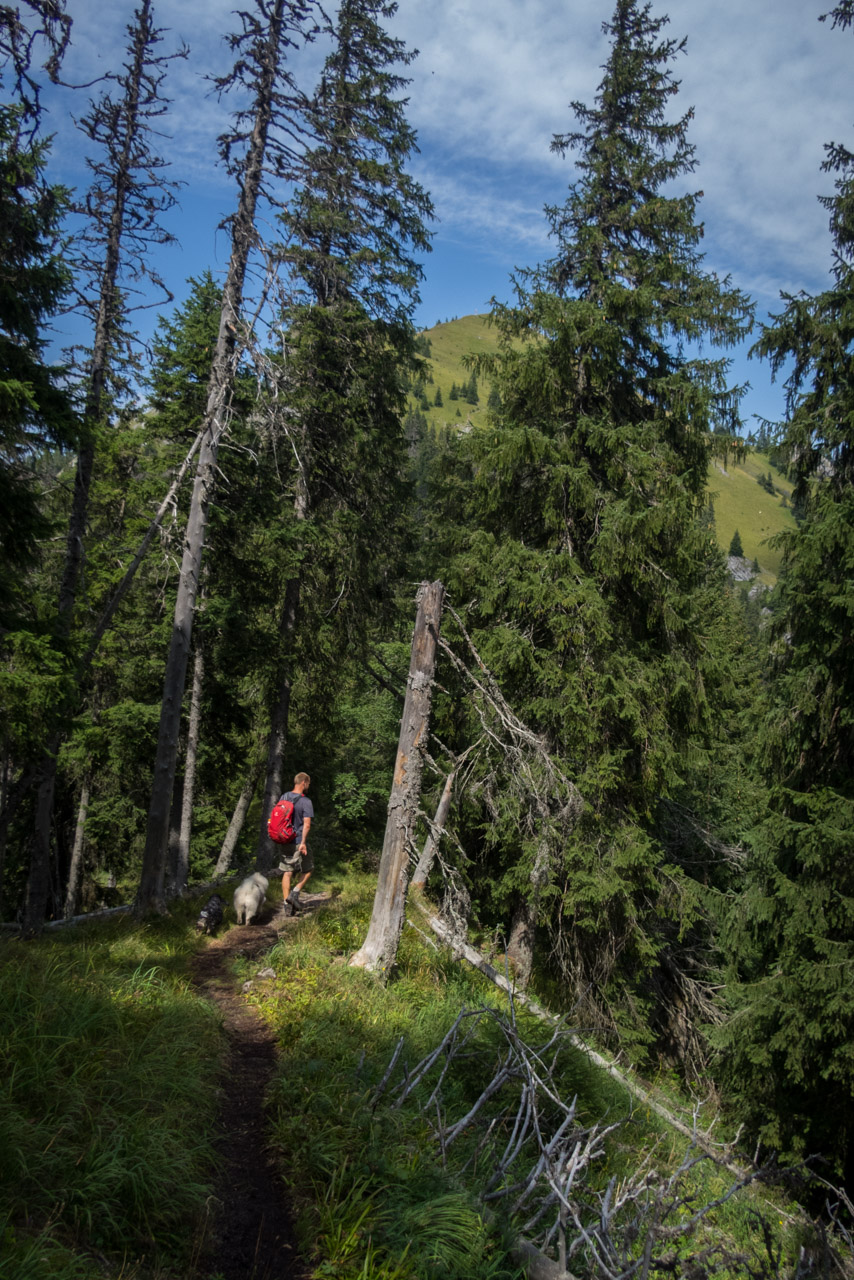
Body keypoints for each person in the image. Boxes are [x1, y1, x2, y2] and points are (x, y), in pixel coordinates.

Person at [277, 772, 314, 914]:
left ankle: (287, 905)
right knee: (309, 868)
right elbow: (307, 825)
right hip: (298, 840)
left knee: (287, 871)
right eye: (308, 783)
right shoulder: (306, 801)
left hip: (284, 840)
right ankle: (295, 893)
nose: (308, 786)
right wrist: (303, 842)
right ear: (304, 782)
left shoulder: (284, 797)